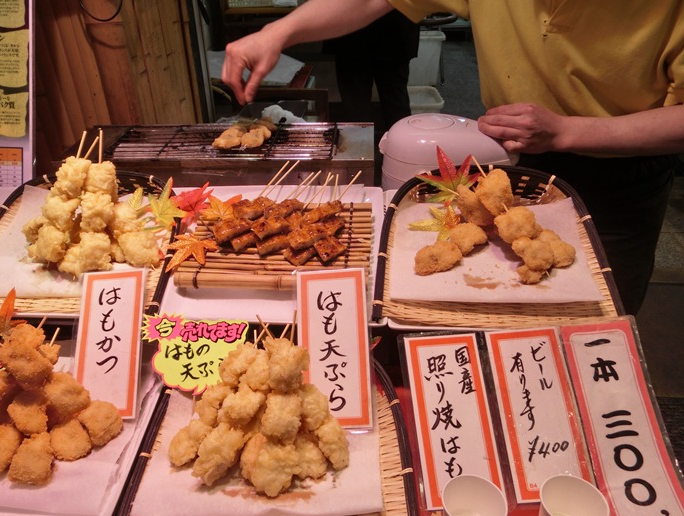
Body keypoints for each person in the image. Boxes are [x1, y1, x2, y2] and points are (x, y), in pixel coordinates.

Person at [221, 0, 684, 315]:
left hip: (619, 173)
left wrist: (568, 131)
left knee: (599, 317)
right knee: (493, 307)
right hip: (509, 158)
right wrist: (278, 31)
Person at [323, 11, 420, 133]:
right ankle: (401, 143)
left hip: (353, 28)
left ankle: (362, 142)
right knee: (394, 100)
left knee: (356, 104)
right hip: (393, 26)